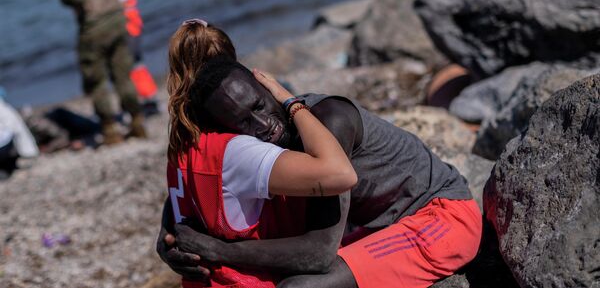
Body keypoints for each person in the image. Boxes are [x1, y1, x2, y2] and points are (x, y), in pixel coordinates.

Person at [157, 21, 483, 288]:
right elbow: (191, 181)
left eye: (260, 107)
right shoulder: (251, 134)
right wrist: (169, 239)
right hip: (384, 225)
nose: (262, 126)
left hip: (438, 217)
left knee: (299, 287)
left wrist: (220, 251)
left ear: (269, 87)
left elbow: (319, 254)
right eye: (243, 124)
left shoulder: (329, 121)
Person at [53, 0, 146, 144]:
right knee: (123, 75)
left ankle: (110, 129)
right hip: (117, 21)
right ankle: (137, 120)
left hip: (94, 26)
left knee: (96, 80)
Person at [112, 0, 160, 115]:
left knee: (134, 64)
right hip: (127, 24)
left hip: (128, 25)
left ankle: (149, 100)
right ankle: (144, 100)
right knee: (133, 64)